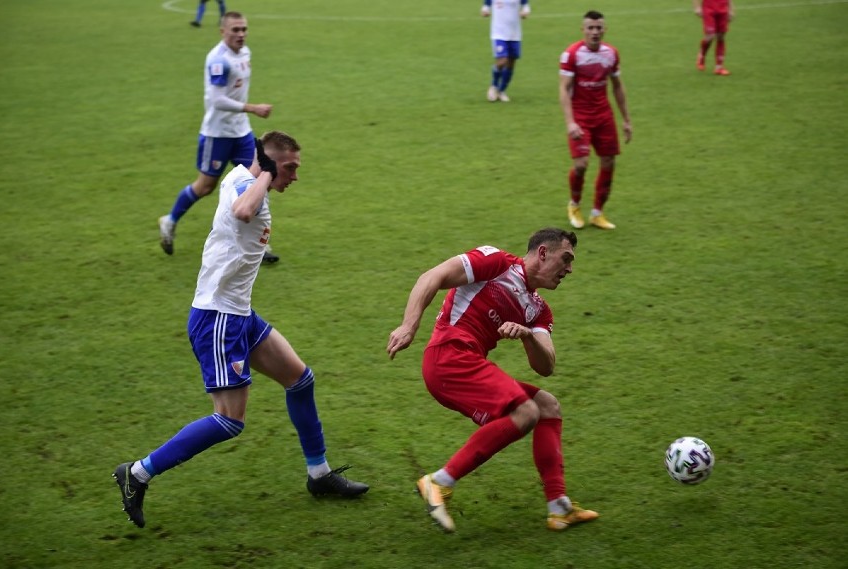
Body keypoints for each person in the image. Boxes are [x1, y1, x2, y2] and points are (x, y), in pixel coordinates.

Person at [115, 131, 369, 528]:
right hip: (218, 319)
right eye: (290, 168)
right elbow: (243, 213)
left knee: (300, 380)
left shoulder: (239, 177)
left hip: (238, 314)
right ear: (267, 164)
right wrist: (268, 174)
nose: (295, 177)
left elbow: (246, 184)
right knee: (229, 420)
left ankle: (319, 476)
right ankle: (136, 474)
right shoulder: (251, 188)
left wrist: (264, 169)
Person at [387, 228, 598, 533]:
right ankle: (439, 483)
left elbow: (546, 365)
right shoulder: (496, 262)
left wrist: (528, 336)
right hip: (448, 357)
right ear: (542, 253)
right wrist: (409, 326)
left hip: (467, 362)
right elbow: (431, 277)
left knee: (547, 406)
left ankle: (558, 507)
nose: (569, 269)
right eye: (565, 259)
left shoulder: (539, 310)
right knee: (525, 413)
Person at [159, 12, 279, 264]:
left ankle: (259, 243)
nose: (241, 34)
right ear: (222, 31)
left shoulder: (245, 53)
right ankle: (169, 221)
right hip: (217, 134)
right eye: (235, 29)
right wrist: (252, 108)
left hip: (242, 132)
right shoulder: (218, 59)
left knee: (257, 180)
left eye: (244, 29)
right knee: (205, 187)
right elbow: (216, 100)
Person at [559, 10, 632, 231]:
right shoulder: (572, 54)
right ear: (583, 30)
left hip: (603, 116)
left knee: (609, 162)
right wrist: (570, 122)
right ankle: (574, 204)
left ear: (604, 30)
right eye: (590, 27)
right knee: (581, 165)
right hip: (581, 116)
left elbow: (618, 87)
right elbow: (564, 89)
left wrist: (626, 120)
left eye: (599, 27)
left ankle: (597, 213)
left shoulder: (611, 54)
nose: (595, 32)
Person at [481, 0, 530, 102]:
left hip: (514, 34)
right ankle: (494, 85)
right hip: (499, 33)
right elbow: (486, 6)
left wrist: (525, 12)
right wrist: (485, 11)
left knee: (511, 63)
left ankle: (501, 90)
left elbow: (526, 6)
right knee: (502, 60)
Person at [694, 0, 734, 75]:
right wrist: (697, 7)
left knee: (721, 37)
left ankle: (719, 67)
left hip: (723, 8)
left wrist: (731, 9)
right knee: (710, 36)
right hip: (709, 9)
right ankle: (702, 55)